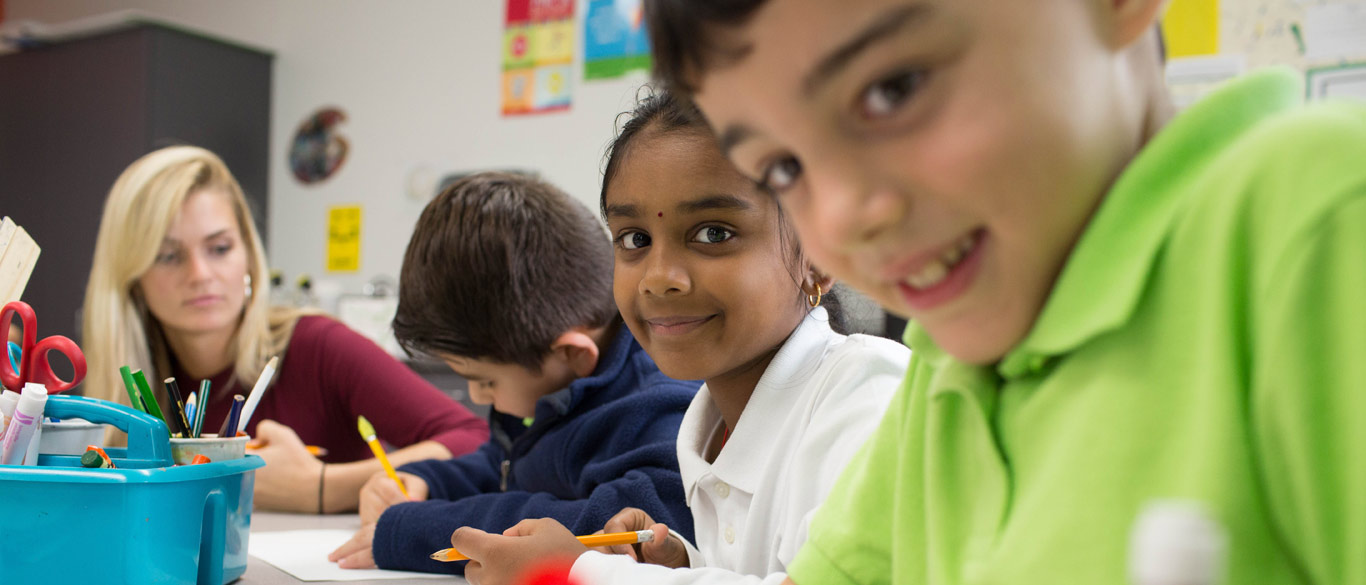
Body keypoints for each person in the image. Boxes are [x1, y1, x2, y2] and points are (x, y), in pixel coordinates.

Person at [639, 0, 1366, 583]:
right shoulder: (945, 363)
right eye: (783, 167)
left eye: (892, 90)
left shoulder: (1317, 219)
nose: (842, 214)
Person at [445, 91, 908, 585]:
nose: (658, 277)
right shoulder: (706, 425)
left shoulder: (868, 394)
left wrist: (578, 573)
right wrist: (686, 563)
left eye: (713, 233)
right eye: (634, 239)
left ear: (817, 254)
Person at [327, 171, 699, 575]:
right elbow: (510, 467)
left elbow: (624, 527)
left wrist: (419, 530)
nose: (479, 396)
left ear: (572, 353)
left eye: (486, 381)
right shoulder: (557, 386)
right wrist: (428, 481)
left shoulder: (658, 405)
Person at [82, 145, 488, 513]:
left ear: (248, 254)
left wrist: (323, 486)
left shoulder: (318, 346)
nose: (201, 274)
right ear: (131, 277)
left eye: (220, 248)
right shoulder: (127, 386)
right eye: (168, 256)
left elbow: (477, 440)